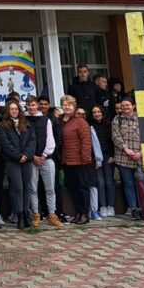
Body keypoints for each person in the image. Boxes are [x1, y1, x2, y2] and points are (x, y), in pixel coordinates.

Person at [0, 100, 34, 229]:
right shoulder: (3, 126)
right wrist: (18, 156)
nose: (14, 111)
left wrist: (26, 155)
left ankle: (26, 214)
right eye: (11, 109)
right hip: (12, 161)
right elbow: (5, 144)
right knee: (17, 188)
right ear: (8, 111)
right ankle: (19, 216)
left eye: (16, 109)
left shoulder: (27, 124)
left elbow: (32, 141)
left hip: (27, 160)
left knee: (26, 188)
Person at [59, 95, 93, 225]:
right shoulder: (60, 120)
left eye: (69, 105)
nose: (67, 107)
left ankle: (84, 213)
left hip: (80, 161)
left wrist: (85, 158)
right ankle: (78, 212)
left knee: (82, 188)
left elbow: (86, 141)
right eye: (64, 104)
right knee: (73, 188)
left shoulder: (80, 121)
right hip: (66, 160)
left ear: (74, 106)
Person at [29, 102, 63, 227]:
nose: (31, 107)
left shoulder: (45, 120)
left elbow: (50, 140)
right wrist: (33, 156)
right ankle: (36, 214)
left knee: (50, 189)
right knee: (33, 189)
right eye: (29, 105)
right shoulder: (24, 120)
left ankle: (52, 215)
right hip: (31, 160)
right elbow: (24, 141)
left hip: (46, 159)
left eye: (33, 105)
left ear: (36, 106)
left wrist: (44, 155)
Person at [112, 96, 144, 220]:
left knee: (140, 184)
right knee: (128, 184)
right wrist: (126, 150)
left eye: (127, 105)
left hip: (140, 157)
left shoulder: (141, 118)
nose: (125, 107)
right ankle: (134, 209)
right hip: (123, 157)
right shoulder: (117, 119)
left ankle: (143, 209)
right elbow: (116, 137)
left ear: (133, 106)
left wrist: (141, 152)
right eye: (123, 106)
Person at [88, 105, 116, 218]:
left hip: (108, 156)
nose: (97, 114)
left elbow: (114, 141)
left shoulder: (109, 125)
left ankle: (111, 206)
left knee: (109, 182)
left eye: (98, 112)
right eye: (94, 112)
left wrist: (113, 155)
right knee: (100, 182)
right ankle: (103, 206)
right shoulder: (90, 126)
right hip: (96, 157)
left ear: (102, 113)